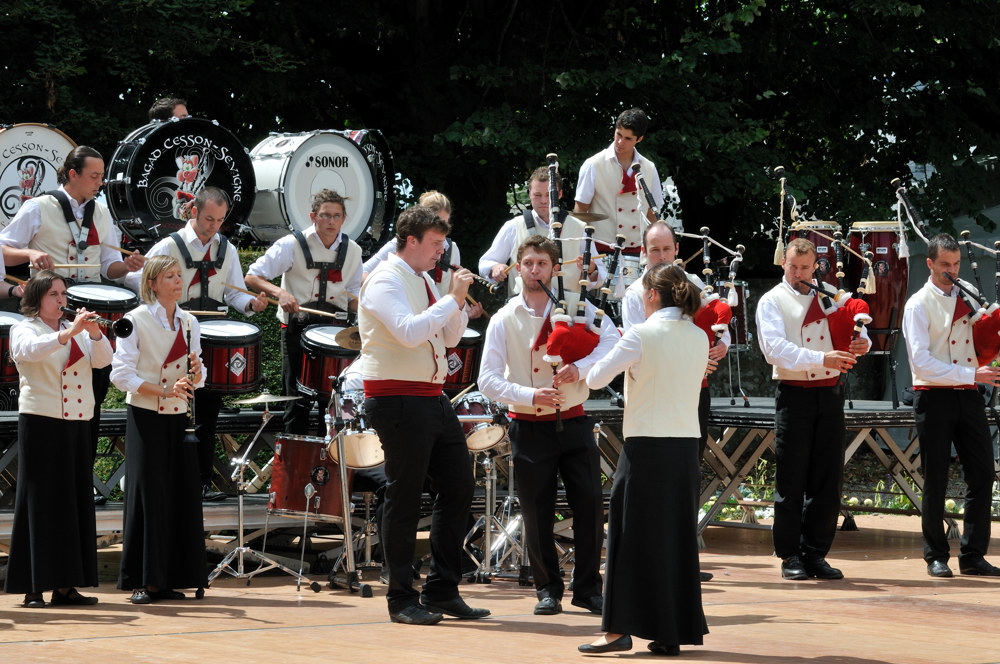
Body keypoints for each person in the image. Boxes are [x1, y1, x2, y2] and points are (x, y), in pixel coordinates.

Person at [358, 205, 488, 625]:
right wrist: (450, 298)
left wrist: (456, 301)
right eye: (435, 243)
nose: (440, 252)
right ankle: (400, 598)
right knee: (405, 495)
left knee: (459, 486)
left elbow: (449, 338)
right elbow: (410, 332)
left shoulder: (424, 279)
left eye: (442, 244)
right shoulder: (384, 279)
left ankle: (442, 589)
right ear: (410, 241)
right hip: (397, 398)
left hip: (431, 397)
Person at [479, 235, 618, 617]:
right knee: (536, 511)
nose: (535, 270)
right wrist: (529, 395)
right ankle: (547, 589)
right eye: (528, 263)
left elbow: (613, 344)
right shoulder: (504, 317)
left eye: (542, 263)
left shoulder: (579, 308)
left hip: (574, 421)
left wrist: (581, 369)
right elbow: (487, 380)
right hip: (528, 426)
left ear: (556, 269)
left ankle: (588, 589)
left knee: (590, 506)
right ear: (518, 268)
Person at [0, 145, 145, 502]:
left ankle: (82, 481)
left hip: (87, 310)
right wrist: (30, 253)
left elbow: (109, 266)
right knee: (50, 391)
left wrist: (127, 267)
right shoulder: (38, 206)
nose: (100, 182)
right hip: (50, 307)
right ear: (73, 174)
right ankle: (41, 484)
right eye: (94, 176)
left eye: (101, 176)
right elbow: (4, 248)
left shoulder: (102, 212)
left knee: (90, 394)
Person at [583, 262, 710, 655]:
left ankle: (617, 630)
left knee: (626, 538)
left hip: (646, 447)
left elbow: (595, 378)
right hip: (684, 448)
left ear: (652, 295)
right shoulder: (699, 336)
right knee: (675, 540)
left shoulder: (641, 334)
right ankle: (669, 632)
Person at [124, 186, 266, 501]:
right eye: (208, 219)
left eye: (220, 220)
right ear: (194, 211)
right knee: (176, 409)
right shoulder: (168, 245)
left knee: (206, 412)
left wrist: (251, 304)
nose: (213, 226)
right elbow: (137, 280)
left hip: (212, 337)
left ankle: (199, 482)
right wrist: (162, 311)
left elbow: (235, 293)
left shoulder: (227, 249)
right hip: (175, 331)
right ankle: (168, 481)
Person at [621, 221, 730, 583]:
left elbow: (720, 327)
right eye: (655, 250)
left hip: (692, 391)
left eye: (667, 249)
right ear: (643, 252)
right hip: (653, 397)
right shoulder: (635, 293)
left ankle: (684, 559)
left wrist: (719, 347)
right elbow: (638, 343)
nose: (662, 256)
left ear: (677, 250)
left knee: (687, 475)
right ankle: (651, 560)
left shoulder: (695, 285)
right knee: (652, 481)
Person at [755, 237, 870, 581]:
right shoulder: (772, 300)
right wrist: (822, 358)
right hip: (795, 394)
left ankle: (816, 553)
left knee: (827, 477)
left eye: (805, 268)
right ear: (784, 263)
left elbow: (857, 333)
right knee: (792, 477)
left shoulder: (831, 294)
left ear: (815, 266)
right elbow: (774, 350)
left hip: (831, 393)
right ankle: (790, 554)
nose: (798, 273)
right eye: (793, 266)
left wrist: (861, 343)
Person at [3, 270, 111, 608]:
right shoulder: (25, 328)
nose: (61, 300)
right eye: (53, 294)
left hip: (77, 422)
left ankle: (66, 586)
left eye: (63, 293)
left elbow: (104, 361)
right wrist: (68, 333)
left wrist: (94, 334)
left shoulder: (75, 331)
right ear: (36, 299)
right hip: (41, 421)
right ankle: (33, 587)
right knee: (40, 502)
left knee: (73, 501)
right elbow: (29, 351)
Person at [901, 233, 1000, 577]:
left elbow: (981, 336)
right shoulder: (917, 304)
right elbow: (921, 363)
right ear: (929, 263)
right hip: (933, 395)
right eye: (945, 264)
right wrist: (973, 372)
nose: (952, 271)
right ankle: (935, 555)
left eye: (956, 264)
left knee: (983, 474)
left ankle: (973, 555)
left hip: (968, 393)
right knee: (936, 477)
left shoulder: (967, 294)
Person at [111, 255, 207, 604]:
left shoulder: (190, 321)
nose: (178, 281)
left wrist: (197, 373)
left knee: (177, 494)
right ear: (152, 283)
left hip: (179, 417)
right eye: (170, 276)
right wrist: (164, 390)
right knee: (148, 495)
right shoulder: (133, 320)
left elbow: (200, 374)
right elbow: (121, 375)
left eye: (179, 275)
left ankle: (168, 579)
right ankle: (142, 580)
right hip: (146, 416)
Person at [245, 189, 363, 434]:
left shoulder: (353, 250)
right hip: (296, 329)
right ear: (313, 216)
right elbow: (253, 276)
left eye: (337, 216)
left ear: (344, 218)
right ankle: (293, 455)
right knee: (296, 399)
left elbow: (353, 296)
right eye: (325, 215)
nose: (331, 221)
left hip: (336, 334)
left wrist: (368, 309)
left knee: (336, 398)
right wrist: (280, 293)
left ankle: (332, 453)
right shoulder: (291, 244)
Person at [479, 167, 605, 298]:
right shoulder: (513, 226)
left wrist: (591, 269)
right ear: (529, 194)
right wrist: (495, 267)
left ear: (559, 194)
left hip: (568, 306)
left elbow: (600, 276)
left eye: (549, 195)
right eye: (537, 195)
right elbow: (486, 262)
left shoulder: (579, 228)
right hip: (524, 306)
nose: (544, 200)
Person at [364, 190, 484, 318]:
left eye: (445, 223)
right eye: (437, 222)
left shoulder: (452, 249)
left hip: (439, 319)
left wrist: (465, 311)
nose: (442, 229)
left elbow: (450, 293)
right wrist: (388, 293)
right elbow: (363, 272)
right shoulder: (401, 244)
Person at [573, 108, 664, 253]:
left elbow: (652, 215)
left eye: (628, 138)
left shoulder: (649, 168)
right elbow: (580, 211)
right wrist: (582, 250)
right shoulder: (593, 164)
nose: (620, 142)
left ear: (639, 139)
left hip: (638, 250)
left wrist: (659, 248)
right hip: (600, 249)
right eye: (618, 134)